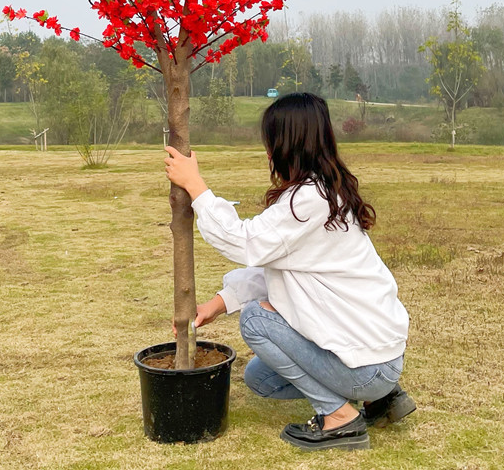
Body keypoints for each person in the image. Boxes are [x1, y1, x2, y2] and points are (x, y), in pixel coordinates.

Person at [164, 92, 415, 451]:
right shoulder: (328, 193)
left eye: (271, 143)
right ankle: (380, 398)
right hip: (377, 357)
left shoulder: (307, 201)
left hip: (367, 364)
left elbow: (245, 243)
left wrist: (196, 187)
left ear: (287, 145)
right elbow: (276, 267)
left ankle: (339, 418)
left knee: (255, 320)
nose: (267, 152)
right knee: (260, 379)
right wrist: (216, 304)